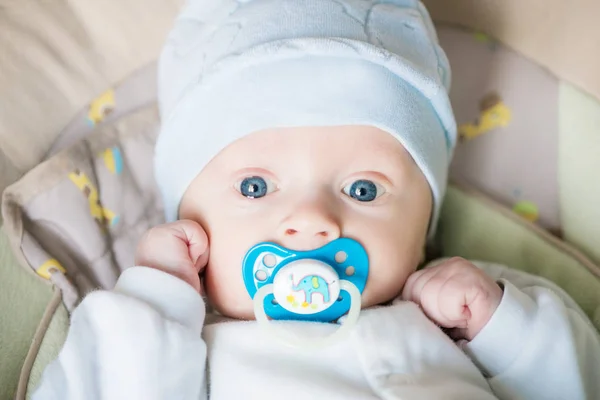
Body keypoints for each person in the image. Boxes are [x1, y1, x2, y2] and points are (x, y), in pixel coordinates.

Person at [33, 0, 600, 399]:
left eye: (363, 190)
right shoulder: (187, 349)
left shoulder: (458, 321)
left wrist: (503, 324)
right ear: (183, 218)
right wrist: (156, 299)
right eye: (254, 187)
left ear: (425, 223)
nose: (311, 221)